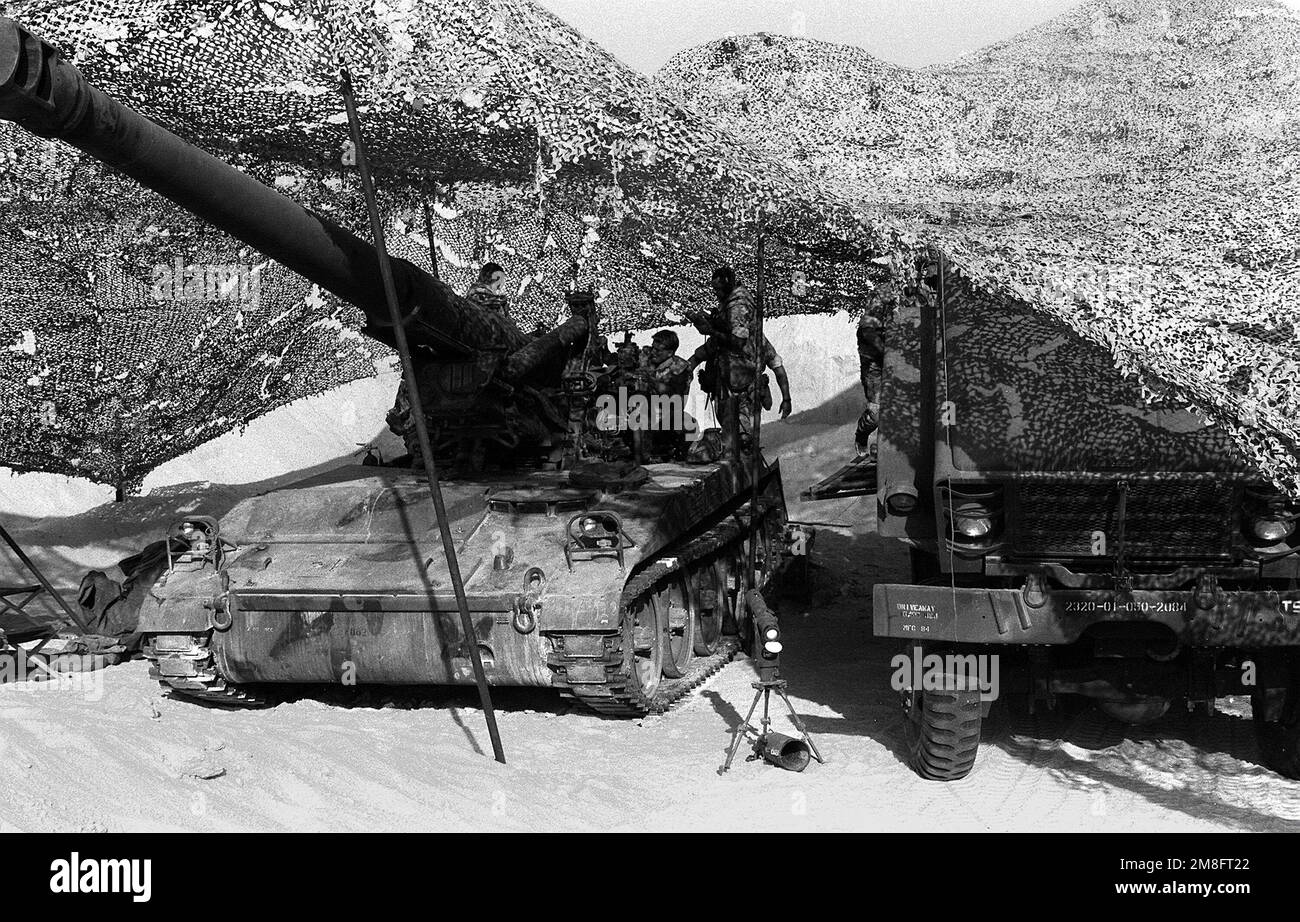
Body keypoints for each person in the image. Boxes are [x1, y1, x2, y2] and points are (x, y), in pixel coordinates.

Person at [687, 265, 791, 456]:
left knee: (743, 437)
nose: (716, 293)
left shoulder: (744, 321)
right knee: (731, 436)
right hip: (726, 386)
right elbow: (710, 348)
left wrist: (786, 398)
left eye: (719, 289)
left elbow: (775, 364)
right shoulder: (739, 334)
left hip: (743, 391)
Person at [854, 303, 888, 463]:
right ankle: (862, 435)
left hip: (898, 365)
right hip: (874, 371)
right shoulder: (867, 324)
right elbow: (870, 337)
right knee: (876, 413)